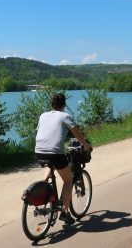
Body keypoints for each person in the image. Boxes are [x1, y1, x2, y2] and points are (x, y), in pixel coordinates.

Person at [35, 93, 92, 225]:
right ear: (64, 105)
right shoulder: (65, 116)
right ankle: (65, 213)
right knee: (68, 180)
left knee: (51, 165)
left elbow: (43, 132)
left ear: (52, 104)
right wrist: (86, 146)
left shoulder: (43, 115)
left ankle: (42, 186)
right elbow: (78, 135)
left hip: (39, 151)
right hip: (55, 153)